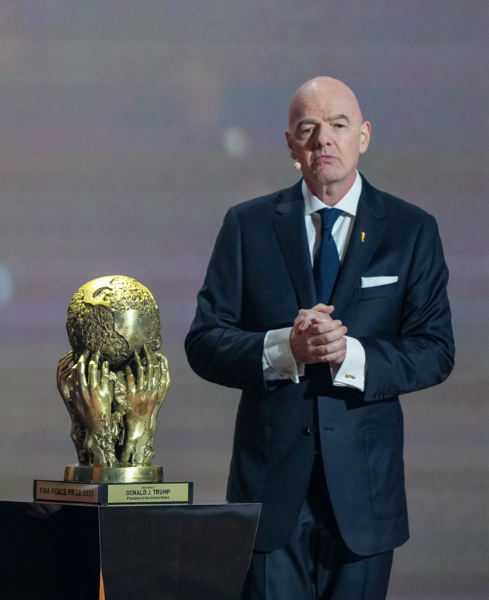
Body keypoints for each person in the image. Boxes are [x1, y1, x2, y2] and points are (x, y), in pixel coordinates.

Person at [185, 77, 454, 599]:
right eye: (307, 128)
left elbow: (435, 349)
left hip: (365, 498)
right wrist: (286, 348)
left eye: (338, 125)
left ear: (364, 136)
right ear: (290, 144)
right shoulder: (247, 226)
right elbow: (204, 341)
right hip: (268, 492)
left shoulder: (410, 229)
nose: (323, 139)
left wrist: (348, 355)